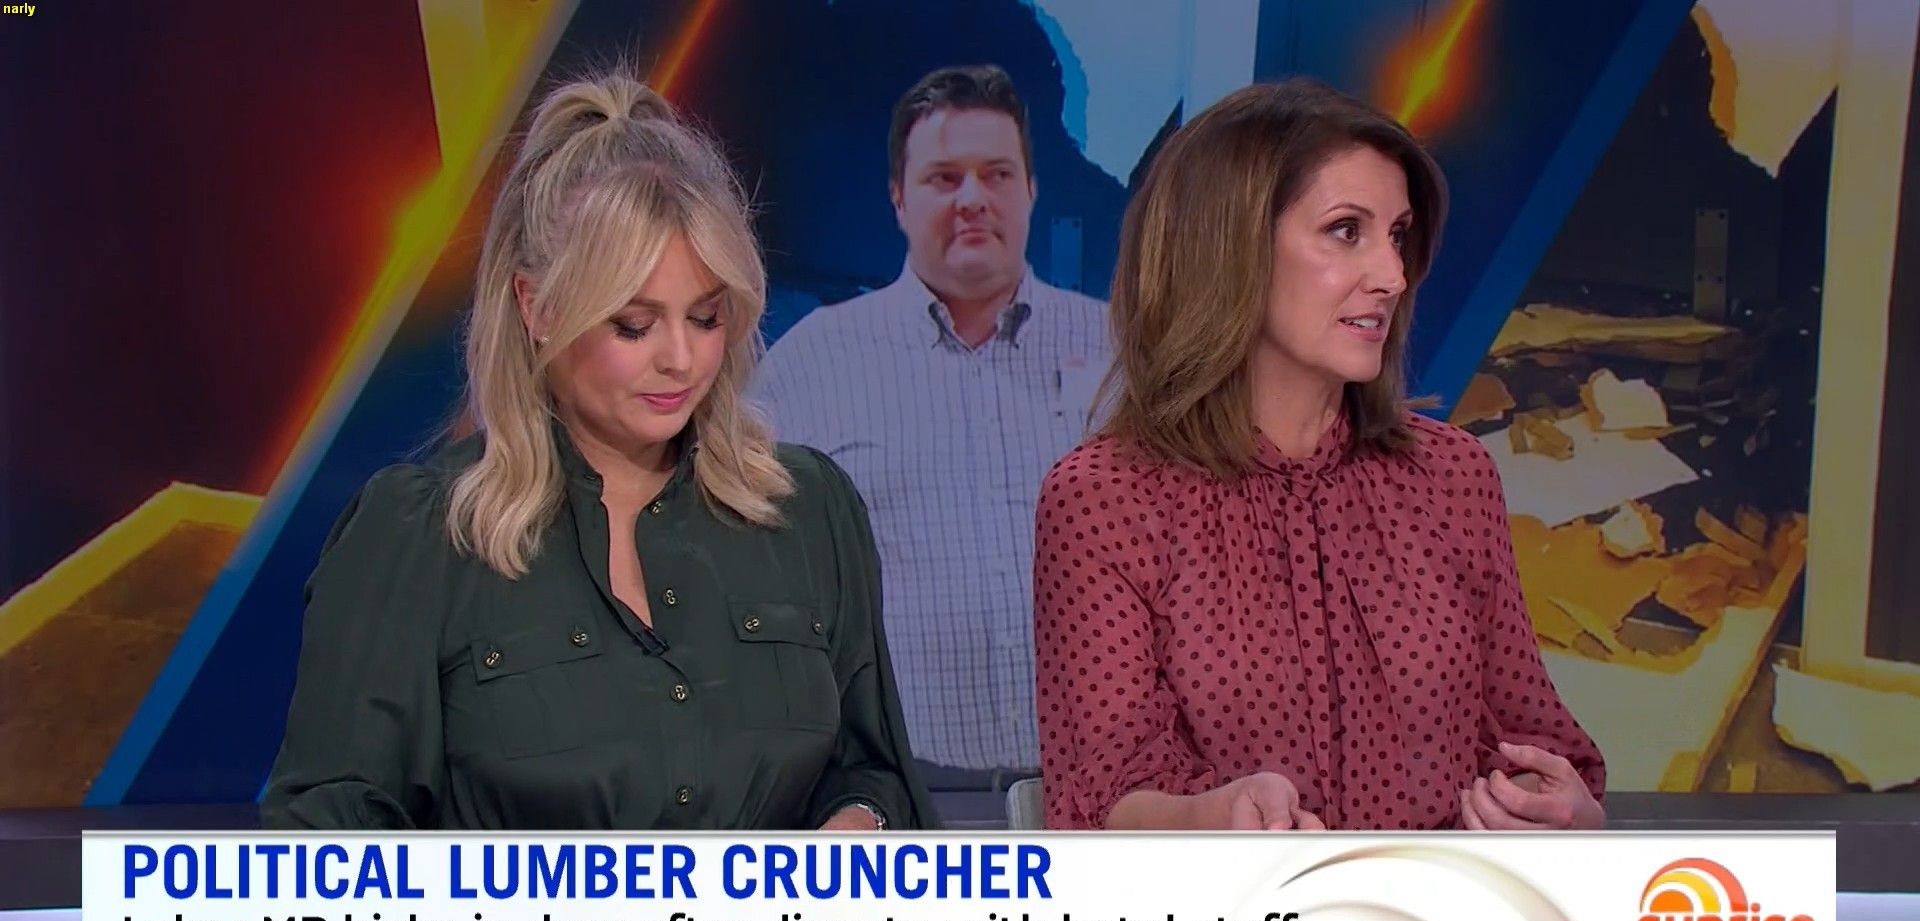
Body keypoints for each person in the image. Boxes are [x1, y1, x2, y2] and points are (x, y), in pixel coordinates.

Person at [262, 72, 935, 832]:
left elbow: (874, 771)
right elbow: (327, 831)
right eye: (633, 325)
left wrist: (858, 821)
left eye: (706, 317)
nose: (680, 359)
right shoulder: (421, 536)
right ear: (537, 307)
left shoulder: (808, 512)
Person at [1034, 79, 1606, 832]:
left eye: (1397, 235)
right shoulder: (1105, 499)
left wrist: (1562, 814)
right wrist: (1214, 821)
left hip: (1438, 906)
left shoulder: (1452, 476)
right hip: (1228, 912)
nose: (1392, 276)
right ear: (1228, 249)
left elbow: (1531, 743)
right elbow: (1101, 804)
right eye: (1345, 231)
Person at [756, 65, 1111, 789]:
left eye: (997, 174)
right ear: (898, 196)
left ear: (1031, 189)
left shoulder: (1120, 351)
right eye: (945, 178)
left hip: (1100, 786)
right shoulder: (811, 363)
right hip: (899, 788)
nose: (973, 199)